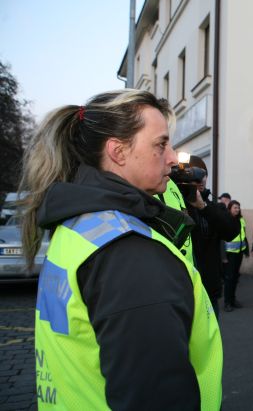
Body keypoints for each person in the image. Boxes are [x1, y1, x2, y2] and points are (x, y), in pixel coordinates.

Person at [21, 90, 222, 409]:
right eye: (161, 144)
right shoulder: (131, 255)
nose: (172, 158)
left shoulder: (79, 222)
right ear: (118, 152)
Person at [185, 155, 240, 317]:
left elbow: (231, 232)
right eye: (194, 174)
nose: (200, 179)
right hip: (183, 286)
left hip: (209, 287)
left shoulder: (214, 207)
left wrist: (203, 207)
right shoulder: (176, 204)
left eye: (203, 174)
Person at [223, 200, 249, 312]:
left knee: (235, 277)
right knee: (229, 278)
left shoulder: (241, 220)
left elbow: (243, 235)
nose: (237, 209)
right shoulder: (225, 220)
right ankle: (227, 302)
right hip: (229, 254)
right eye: (235, 207)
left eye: (238, 207)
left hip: (239, 252)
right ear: (229, 209)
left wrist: (246, 249)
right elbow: (221, 239)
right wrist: (223, 256)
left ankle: (233, 300)